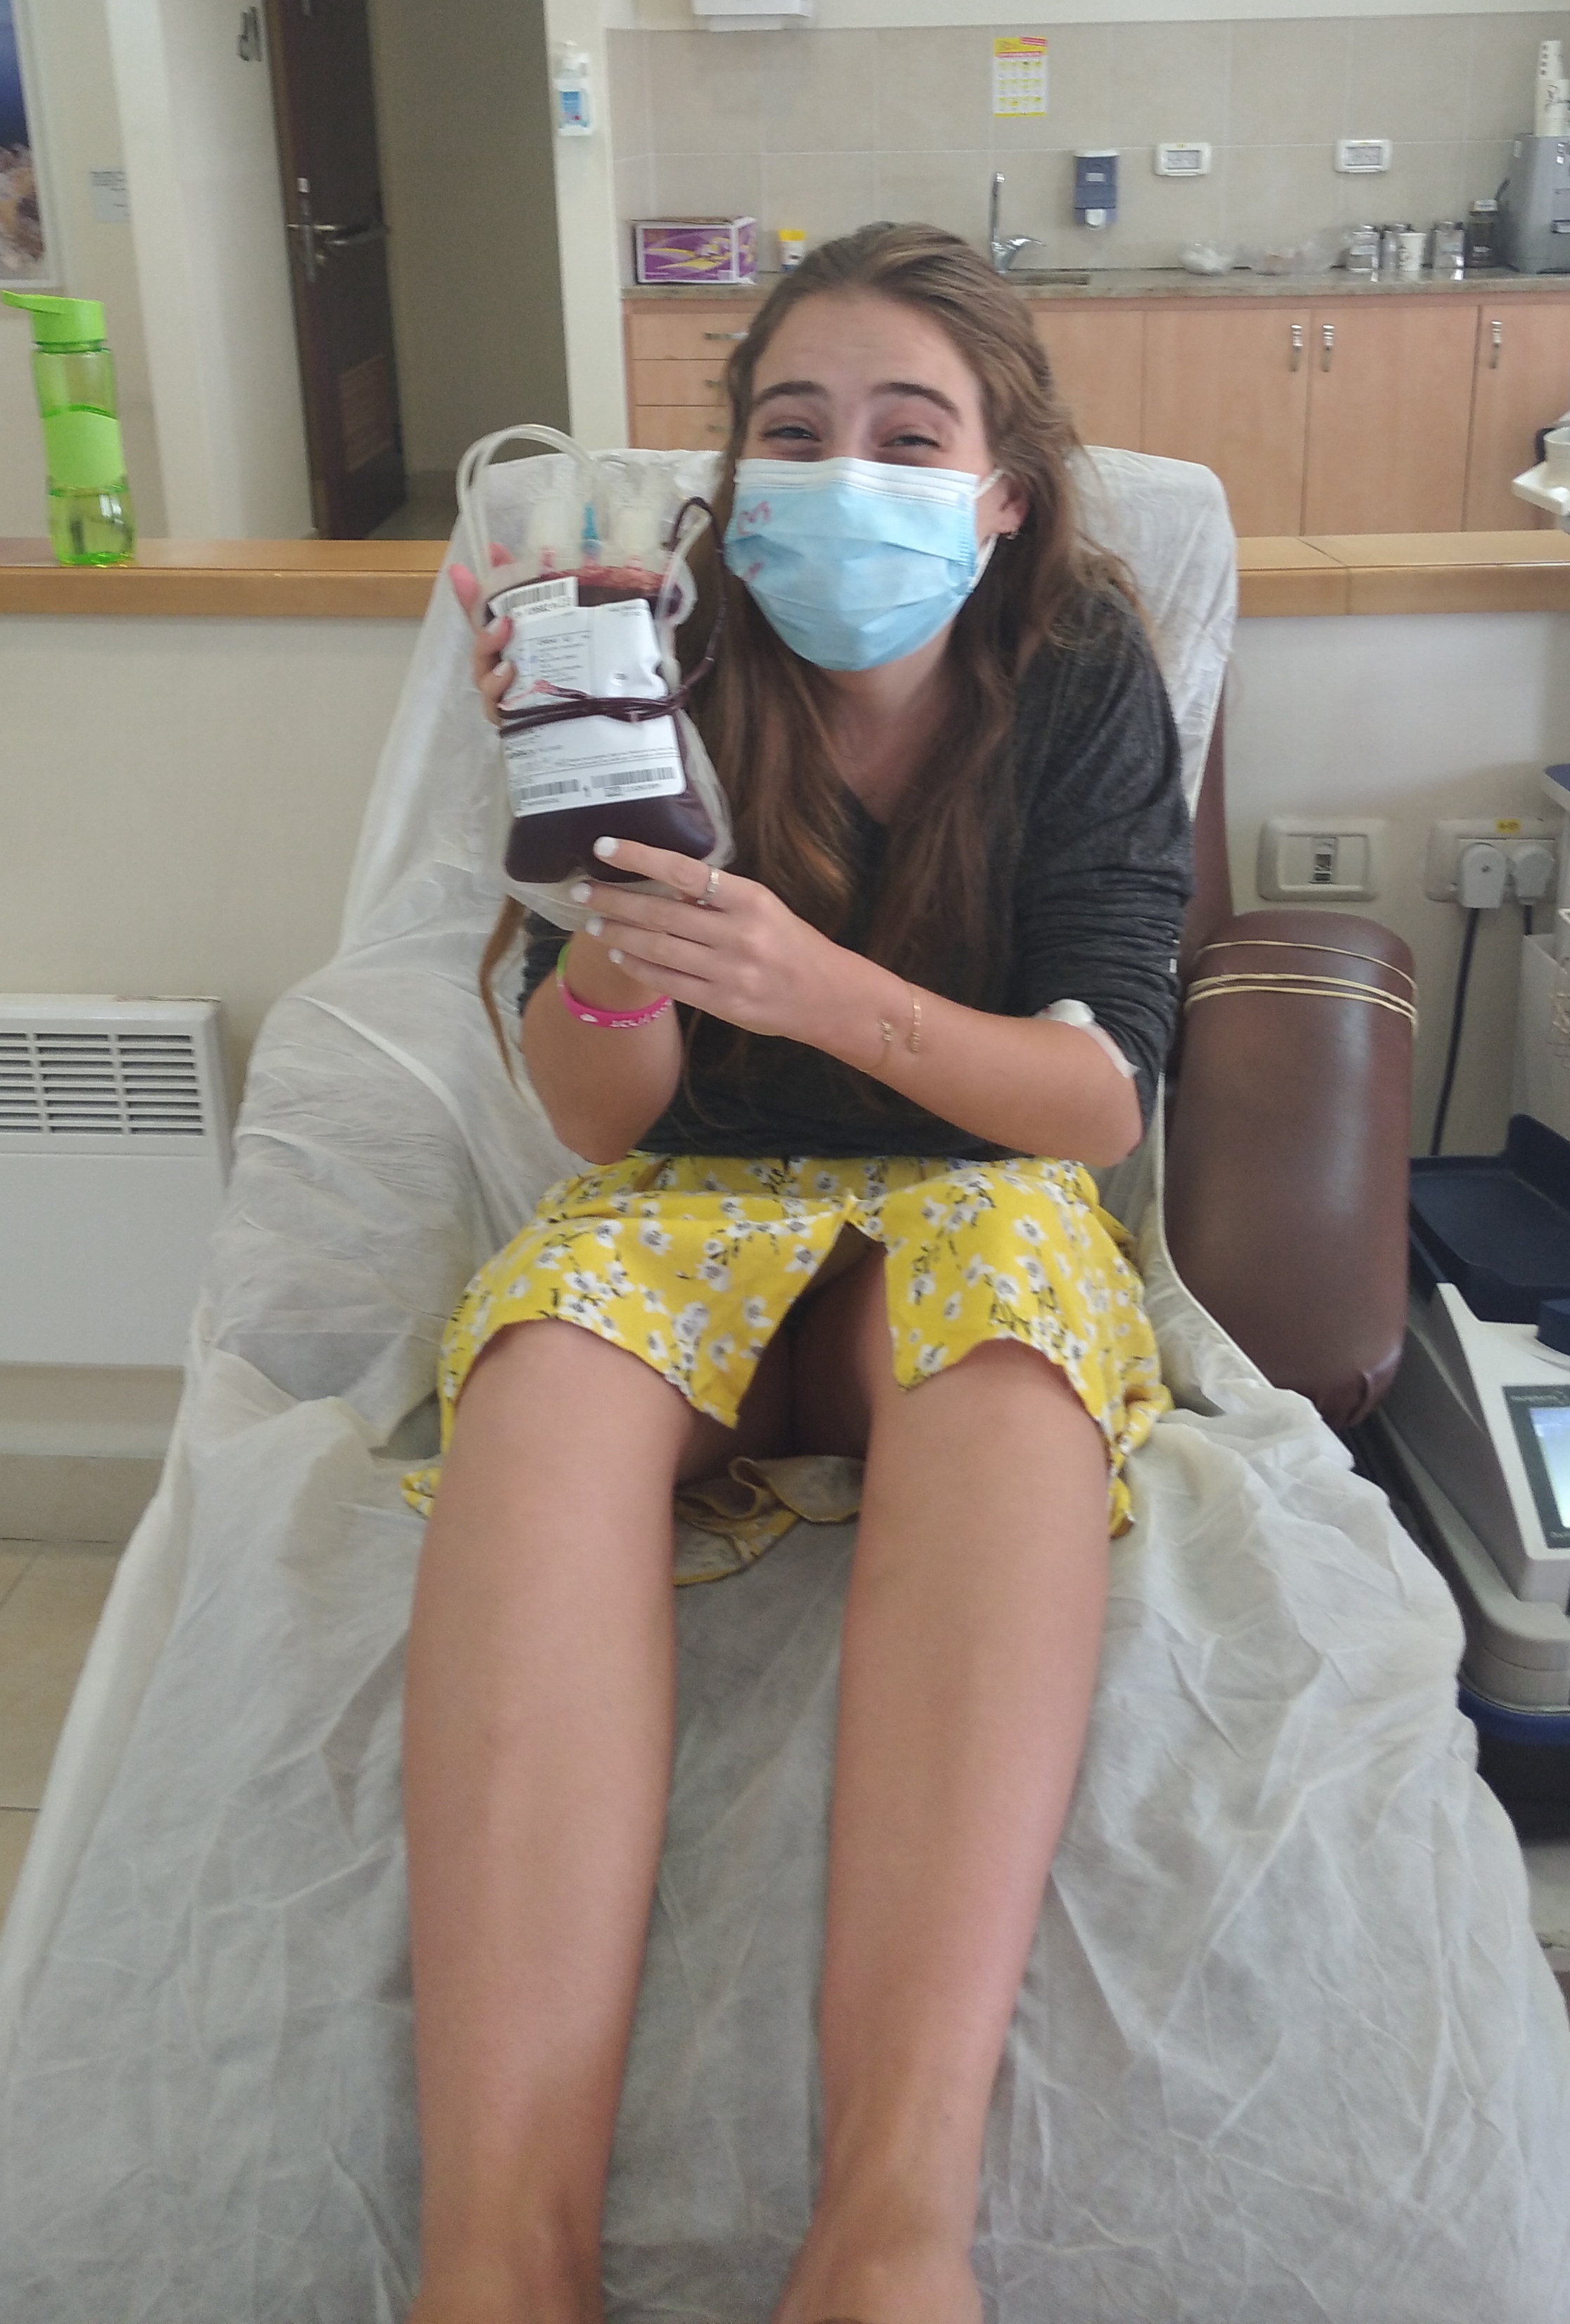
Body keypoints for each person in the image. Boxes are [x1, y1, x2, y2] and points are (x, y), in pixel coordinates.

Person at [402, 223, 1193, 2324]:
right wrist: (599, 892)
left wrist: (822, 987)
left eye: (909, 436)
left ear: (1002, 493)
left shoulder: (1080, 675)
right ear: (734, 474)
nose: (845, 471)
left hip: (978, 1199)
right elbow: (603, 1121)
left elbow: (1096, 1104)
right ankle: (498, 2260)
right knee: (545, 1374)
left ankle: (889, 2233)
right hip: (692, 1208)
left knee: (1013, 1349)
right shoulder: (644, 652)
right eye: (794, 427)